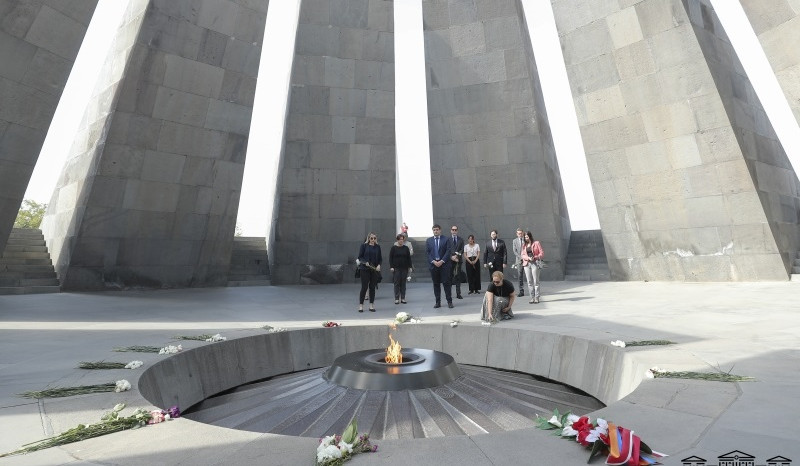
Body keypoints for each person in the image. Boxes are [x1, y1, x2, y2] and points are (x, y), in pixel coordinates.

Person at [425, 224, 453, 308]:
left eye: (437, 229)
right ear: (432, 231)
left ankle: (449, 302)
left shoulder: (446, 239)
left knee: (446, 283)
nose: (436, 231)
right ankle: (438, 302)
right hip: (433, 266)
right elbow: (427, 253)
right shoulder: (429, 240)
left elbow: (448, 251)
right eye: (434, 230)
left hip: (444, 265)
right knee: (436, 284)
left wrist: (441, 261)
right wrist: (433, 261)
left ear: (440, 230)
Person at [357, 233, 381, 312]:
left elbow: (380, 258)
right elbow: (360, 257)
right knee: (364, 287)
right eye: (371, 238)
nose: (373, 240)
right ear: (368, 238)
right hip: (364, 269)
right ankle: (361, 306)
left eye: (374, 238)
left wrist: (379, 265)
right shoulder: (364, 246)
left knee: (372, 287)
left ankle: (371, 305)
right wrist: (364, 262)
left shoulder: (378, 247)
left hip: (374, 269)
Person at [520, 231, 544, 304]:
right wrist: (528, 258)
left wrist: (535, 257)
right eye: (525, 237)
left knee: (536, 281)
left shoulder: (536, 243)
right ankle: (532, 297)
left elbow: (542, 253)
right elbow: (522, 255)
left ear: (530, 236)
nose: (526, 238)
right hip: (527, 264)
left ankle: (537, 297)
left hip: (535, 263)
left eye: (527, 237)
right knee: (529, 282)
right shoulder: (524, 245)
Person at [389, 234, 412, 304]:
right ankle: (396, 298)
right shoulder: (394, 248)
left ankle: (403, 298)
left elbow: (409, 258)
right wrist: (391, 267)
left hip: (404, 267)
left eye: (402, 239)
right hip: (396, 268)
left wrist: (410, 267)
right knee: (396, 283)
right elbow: (390, 258)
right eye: (400, 239)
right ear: (397, 240)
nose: (401, 241)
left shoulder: (406, 248)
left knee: (403, 283)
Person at [447, 225, 465, 300]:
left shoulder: (461, 239)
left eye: (455, 230)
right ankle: (449, 294)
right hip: (450, 261)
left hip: (458, 260)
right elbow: (447, 249)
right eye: (453, 230)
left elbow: (462, 249)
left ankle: (458, 294)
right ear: (451, 231)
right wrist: (452, 257)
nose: (454, 231)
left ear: (457, 231)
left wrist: (457, 256)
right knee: (450, 277)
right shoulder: (448, 239)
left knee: (458, 276)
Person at [512, 228, 525, 297]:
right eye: (518, 233)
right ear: (517, 234)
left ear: (523, 233)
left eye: (521, 233)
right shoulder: (514, 241)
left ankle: (532, 290)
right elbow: (514, 251)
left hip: (527, 260)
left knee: (530, 276)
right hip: (519, 261)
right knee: (520, 276)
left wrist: (525, 257)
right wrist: (521, 257)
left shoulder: (526, 239)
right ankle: (521, 291)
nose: (520, 235)